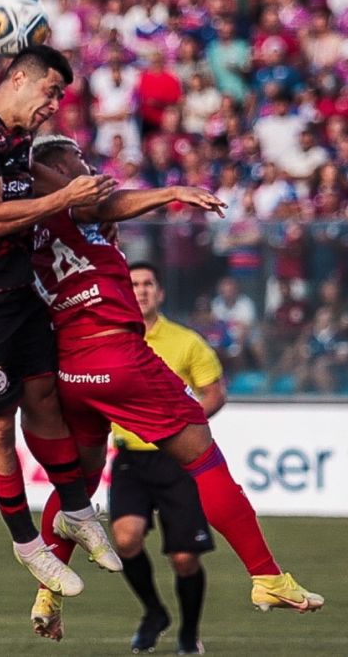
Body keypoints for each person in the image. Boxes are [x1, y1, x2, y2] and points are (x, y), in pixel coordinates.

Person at [26, 135, 323, 644]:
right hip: (118, 354)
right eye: (77, 159)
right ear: (54, 167)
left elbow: (98, 206)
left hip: (70, 368)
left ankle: (48, 594)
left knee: (78, 486)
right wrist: (174, 191)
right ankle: (267, 576)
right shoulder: (71, 201)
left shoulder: (29, 223)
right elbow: (100, 198)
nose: (88, 168)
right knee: (204, 458)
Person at [0, 45, 120, 596]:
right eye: (51, 91)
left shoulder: (17, 138)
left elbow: (42, 194)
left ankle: (77, 511)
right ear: (18, 80)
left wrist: (83, 195)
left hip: (17, 292)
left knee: (44, 399)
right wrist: (64, 196)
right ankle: (27, 545)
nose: (55, 104)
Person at [110, 262, 226, 655]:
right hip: (130, 459)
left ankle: (187, 634)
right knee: (124, 539)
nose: (140, 290)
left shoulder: (186, 342)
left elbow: (214, 393)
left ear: (160, 292)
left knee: (185, 558)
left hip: (177, 459)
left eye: (147, 284)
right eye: (133, 284)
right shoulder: (110, 341)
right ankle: (154, 612)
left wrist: (186, 425)